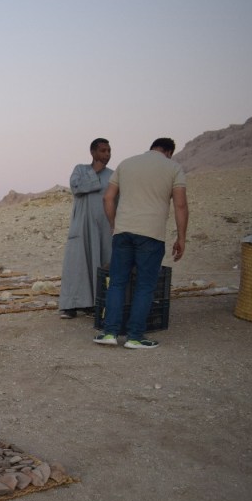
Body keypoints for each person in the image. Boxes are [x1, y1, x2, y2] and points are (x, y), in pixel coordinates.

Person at [93, 138, 188, 349]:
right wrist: (181, 238)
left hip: (123, 231)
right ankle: (135, 337)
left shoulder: (126, 163)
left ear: (152, 147)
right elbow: (180, 205)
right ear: (169, 152)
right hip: (151, 234)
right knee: (145, 286)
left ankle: (110, 333)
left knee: (117, 283)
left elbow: (108, 198)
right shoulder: (173, 168)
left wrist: (113, 224)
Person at [58, 138, 114, 319]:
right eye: (103, 151)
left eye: (109, 151)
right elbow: (76, 188)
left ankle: (94, 303)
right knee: (77, 264)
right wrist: (94, 173)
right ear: (93, 152)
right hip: (82, 227)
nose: (107, 154)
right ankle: (70, 305)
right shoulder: (80, 170)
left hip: (104, 228)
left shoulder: (113, 175)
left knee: (101, 262)